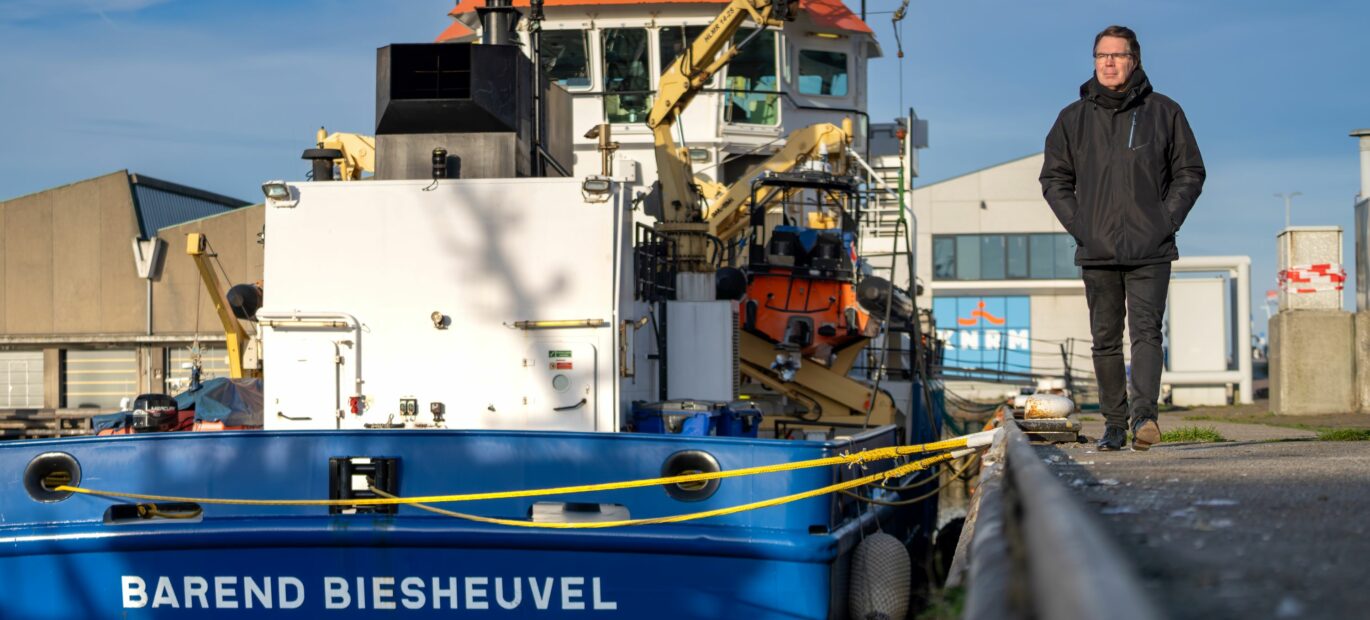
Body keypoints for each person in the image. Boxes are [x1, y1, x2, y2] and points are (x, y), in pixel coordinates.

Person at [1040, 25, 1205, 451]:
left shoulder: (1164, 112)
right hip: (1098, 248)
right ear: (1094, 61)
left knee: (1147, 332)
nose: (1108, 62)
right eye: (1101, 55)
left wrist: (1166, 220)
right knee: (1105, 339)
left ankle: (1145, 419)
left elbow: (1190, 172)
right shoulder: (1072, 119)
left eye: (1117, 55)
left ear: (1134, 60)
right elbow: (1054, 178)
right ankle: (1115, 424)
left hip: (1152, 246)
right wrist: (1080, 224)